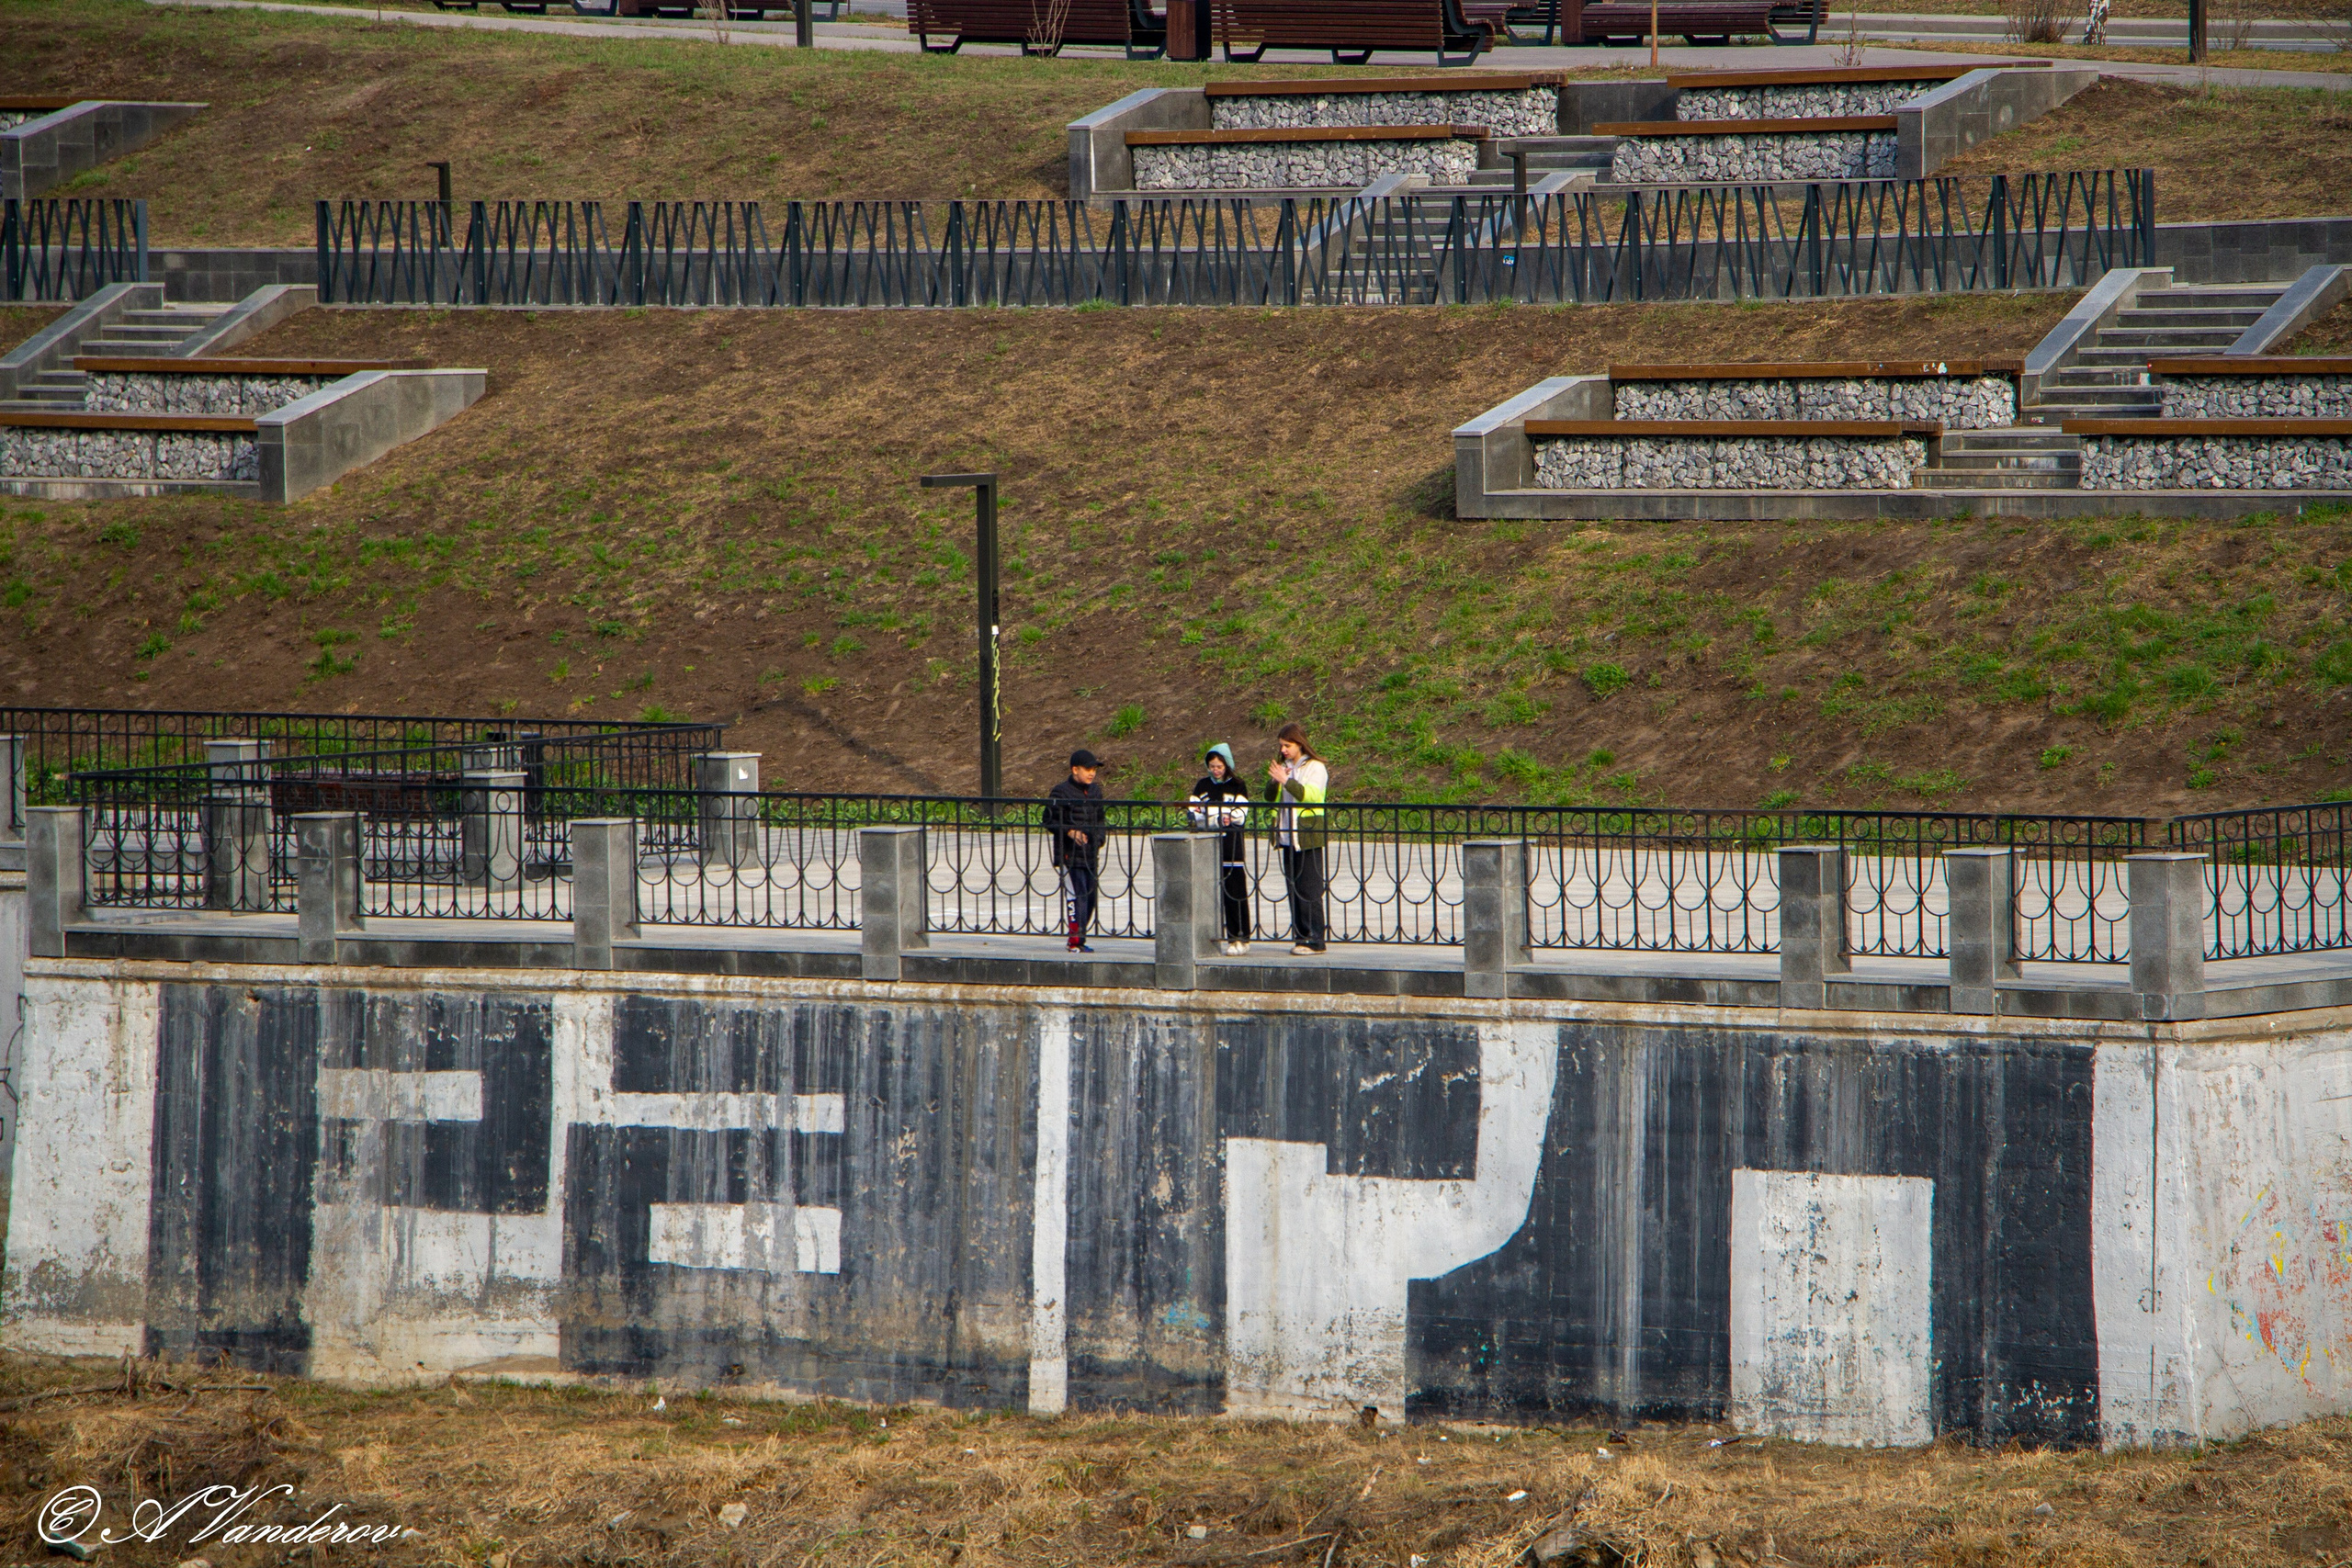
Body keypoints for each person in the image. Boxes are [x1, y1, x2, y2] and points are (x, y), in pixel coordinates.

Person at [1266, 722, 1328, 955]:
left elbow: (1309, 796)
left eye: (1287, 745)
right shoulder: (1286, 768)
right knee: (1294, 890)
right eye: (1281, 746)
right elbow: (1269, 797)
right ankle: (1301, 937)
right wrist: (1275, 782)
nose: (1283, 750)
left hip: (1308, 836)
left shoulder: (1315, 768)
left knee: (1310, 890)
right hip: (1287, 837)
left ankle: (1316, 940)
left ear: (1299, 744)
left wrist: (1285, 781)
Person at [1188, 742, 1254, 955]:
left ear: (1227, 765)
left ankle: (1240, 937)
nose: (1215, 770)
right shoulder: (1202, 785)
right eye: (1212, 766)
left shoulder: (1238, 785)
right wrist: (1218, 817)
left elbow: (1239, 816)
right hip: (1207, 847)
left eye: (1219, 766)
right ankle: (1208, 938)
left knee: (1235, 892)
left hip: (1231, 847)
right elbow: (1194, 814)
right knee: (1208, 894)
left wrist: (1214, 816)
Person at [1043, 749, 1106, 953]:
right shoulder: (1061, 792)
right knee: (1077, 898)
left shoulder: (1095, 792)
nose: (1092, 773)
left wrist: (1098, 839)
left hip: (1089, 855)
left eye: (1094, 769)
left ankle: (1080, 937)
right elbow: (1048, 819)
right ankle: (1075, 942)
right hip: (1069, 856)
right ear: (1075, 770)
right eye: (1088, 769)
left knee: (1090, 899)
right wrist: (1070, 831)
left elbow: (1100, 820)